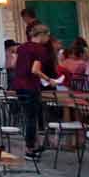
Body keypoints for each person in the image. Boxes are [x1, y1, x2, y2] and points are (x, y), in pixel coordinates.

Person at [15, 23, 58, 161]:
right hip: (30, 86)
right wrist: (49, 79)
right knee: (31, 119)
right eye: (47, 36)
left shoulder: (22, 47)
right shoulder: (40, 50)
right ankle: (29, 149)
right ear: (42, 35)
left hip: (18, 85)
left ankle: (32, 146)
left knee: (27, 118)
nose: (48, 39)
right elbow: (35, 70)